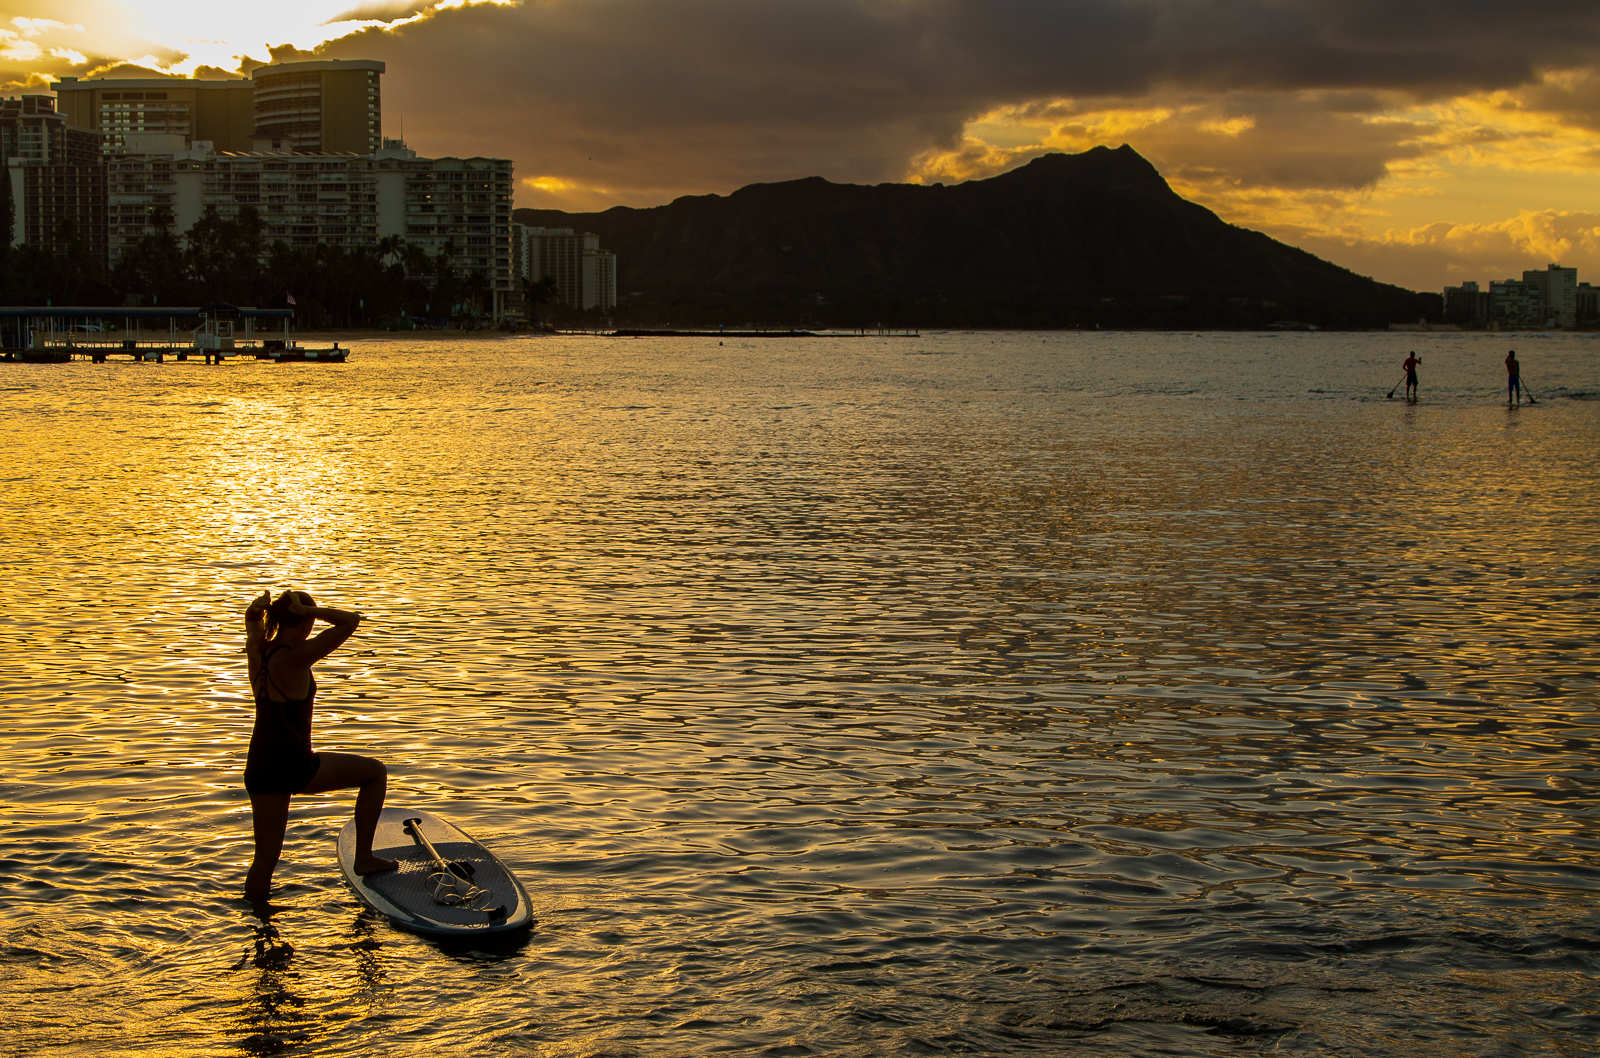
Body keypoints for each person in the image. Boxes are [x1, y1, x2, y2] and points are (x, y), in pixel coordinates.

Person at [243, 589, 396, 899]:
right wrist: (310, 611)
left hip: (259, 767)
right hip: (292, 765)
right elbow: (350, 622)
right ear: (303, 623)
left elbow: (252, 623)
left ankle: (258, 923)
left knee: (264, 860)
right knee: (375, 773)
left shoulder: (259, 652)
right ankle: (364, 858)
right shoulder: (294, 657)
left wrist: (257, 613)